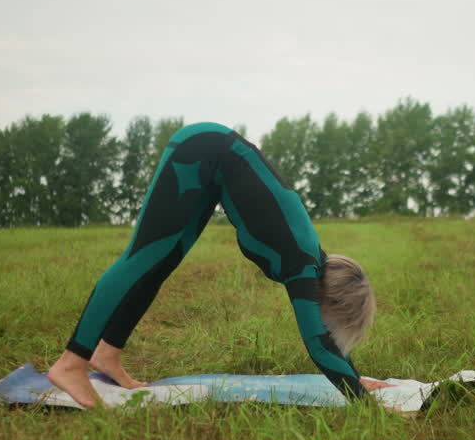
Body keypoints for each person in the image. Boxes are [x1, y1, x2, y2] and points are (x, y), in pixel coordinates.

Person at [47, 121, 392, 408]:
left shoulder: (311, 259)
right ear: (331, 303)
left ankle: (106, 354)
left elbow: (326, 341)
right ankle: (70, 363)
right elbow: (320, 343)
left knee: (160, 265)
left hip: (212, 168)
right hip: (200, 152)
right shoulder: (303, 266)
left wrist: (354, 377)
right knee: (140, 259)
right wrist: (366, 404)